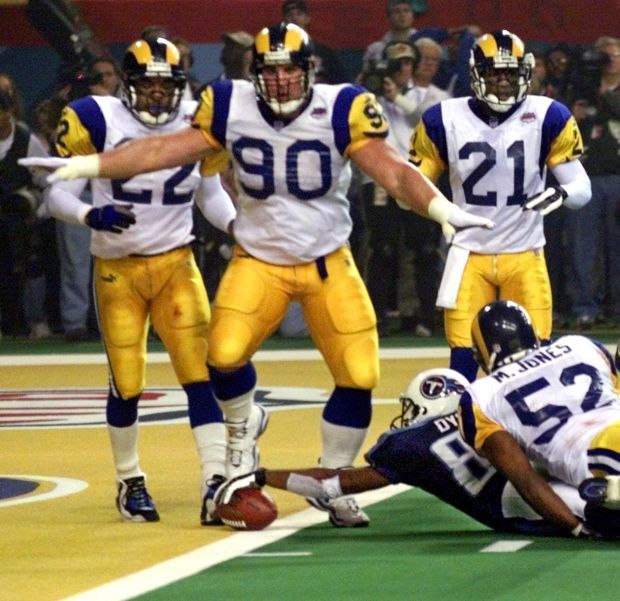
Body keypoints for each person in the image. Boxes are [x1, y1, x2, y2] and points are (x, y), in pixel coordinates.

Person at [21, 23, 493, 527]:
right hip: (258, 260)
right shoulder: (228, 105)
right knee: (221, 358)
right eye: (271, 69)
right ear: (255, 73)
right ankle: (243, 428)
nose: (282, 79)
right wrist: (94, 166)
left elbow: (393, 170)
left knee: (358, 376)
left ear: (309, 70)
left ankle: (331, 483)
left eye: (291, 68)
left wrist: (439, 206)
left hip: (327, 260)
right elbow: (162, 151)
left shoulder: (344, 106)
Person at [38, 38, 236, 525]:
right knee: (127, 382)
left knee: (199, 377)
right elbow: (57, 191)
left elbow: (209, 193)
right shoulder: (97, 117)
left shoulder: (199, 116)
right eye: (146, 84)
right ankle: (129, 479)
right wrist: (90, 213)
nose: (155, 95)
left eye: (164, 85)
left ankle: (215, 481)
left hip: (176, 263)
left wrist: (238, 228)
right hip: (118, 270)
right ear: (128, 85)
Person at [215, 367, 613, 537]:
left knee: (604, 518)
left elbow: (336, 483)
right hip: (559, 477)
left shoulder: (412, 445)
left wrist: (264, 476)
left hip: (534, 508)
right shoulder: (491, 411)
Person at [409, 30, 592, 381]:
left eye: (511, 73)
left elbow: (580, 186)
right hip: (468, 254)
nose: (504, 82)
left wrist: (561, 194)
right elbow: (412, 186)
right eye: (495, 73)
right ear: (477, 73)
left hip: (524, 253)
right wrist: (435, 207)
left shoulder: (547, 115)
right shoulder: (443, 118)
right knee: (462, 358)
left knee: (535, 359)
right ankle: (463, 430)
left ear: (525, 72)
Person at [459, 299, 620, 538]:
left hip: (598, 450)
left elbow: (524, 479)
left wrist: (575, 527)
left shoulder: (481, 396)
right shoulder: (579, 344)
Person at [565, 36, 620, 330]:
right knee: (582, 246)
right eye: (603, 55)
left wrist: (601, 93)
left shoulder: (606, 91)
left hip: (617, 175)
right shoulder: (581, 86)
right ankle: (585, 305)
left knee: (617, 246)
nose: (609, 59)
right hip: (584, 176)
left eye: (614, 54)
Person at [0, 79, 50, 339]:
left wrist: (38, 210)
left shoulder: (25, 138)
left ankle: (36, 321)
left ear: (8, 112)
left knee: (30, 267)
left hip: (20, 215)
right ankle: (5, 323)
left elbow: (44, 179)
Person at [281, 0, 349, 84]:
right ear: (284, 22)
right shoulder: (278, 53)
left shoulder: (324, 52)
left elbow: (341, 81)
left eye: (299, 14)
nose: (294, 18)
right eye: (290, 15)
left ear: (307, 19)